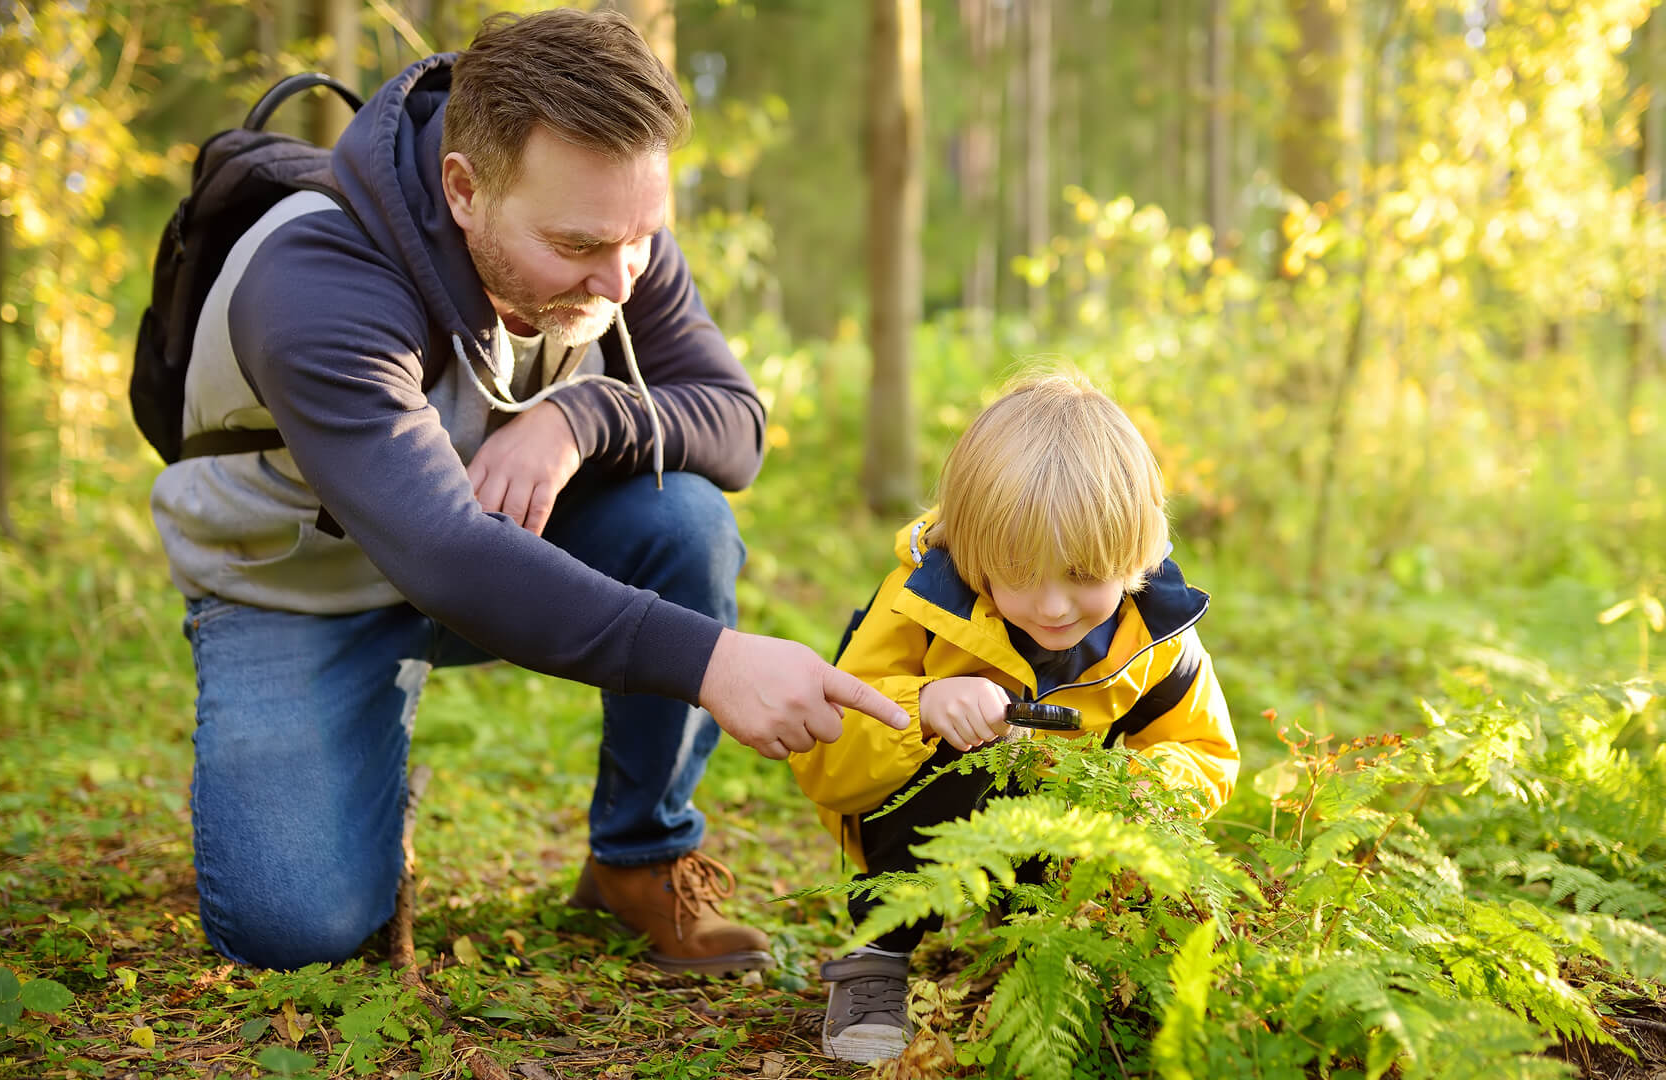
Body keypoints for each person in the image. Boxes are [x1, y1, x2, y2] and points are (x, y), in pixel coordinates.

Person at [148, 8, 905, 975]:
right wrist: (713, 662)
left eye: (642, 238)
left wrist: (578, 418)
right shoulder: (314, 278)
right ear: (464, 189)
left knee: (686, 521)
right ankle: (355, 761)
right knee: (293, 930)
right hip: (300, 592)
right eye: (580, 246)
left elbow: (735, 422)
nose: (621, 282)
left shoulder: (610, 232)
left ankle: (639, 858)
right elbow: (446, 554)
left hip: (490, 554)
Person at [787, 372, 1241, 1063]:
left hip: (1066, 839)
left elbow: (1205, 752)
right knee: (966, 757)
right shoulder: (922, 605)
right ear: (976, 550)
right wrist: (922, 707)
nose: (1053, 606)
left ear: (1134, 553)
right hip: (917, 821)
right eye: (1021, 573)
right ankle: (878, 952)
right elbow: (827, 754)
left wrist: (1139, 786)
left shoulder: (1157, 636)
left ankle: (1050, 956)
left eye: (1083, 574)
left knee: (1128, 851)